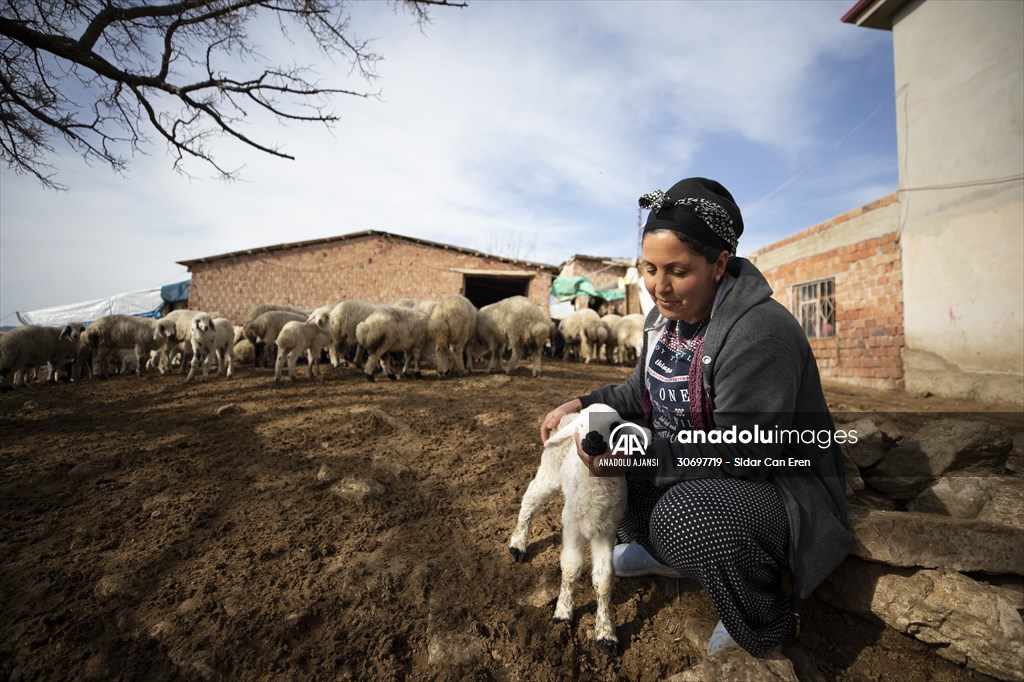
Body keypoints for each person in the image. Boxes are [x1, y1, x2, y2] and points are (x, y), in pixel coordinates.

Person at [541, 177, 852, 656]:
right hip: (690, 464)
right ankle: (670, 556)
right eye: (649, 268)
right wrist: (582, 406)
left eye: (677, 271)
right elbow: (639, 391)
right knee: (598, 449)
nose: (658, 287)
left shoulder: (758, 333)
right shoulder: (663, 320)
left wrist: (642, 456)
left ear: (719, 264)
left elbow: (748, 450)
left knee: (686, 517)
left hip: (778, 488)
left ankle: (764, 615)